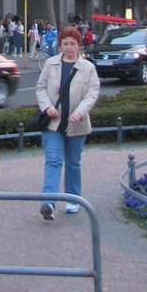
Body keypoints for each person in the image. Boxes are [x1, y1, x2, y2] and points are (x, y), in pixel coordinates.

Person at [36, 25, 100, 220]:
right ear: (60, 45)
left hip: (76, 124)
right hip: (53, 123)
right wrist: (47, 107)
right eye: (65, 44)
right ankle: (48, 202)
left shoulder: (88, 68)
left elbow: (92, 93)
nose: (69, 47)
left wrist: (80, 112)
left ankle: (73, 198)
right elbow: (40, 88)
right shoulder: (51, 64)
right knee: (53, 162)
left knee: (73, 163)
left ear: (78, 45)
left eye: (72, 44)